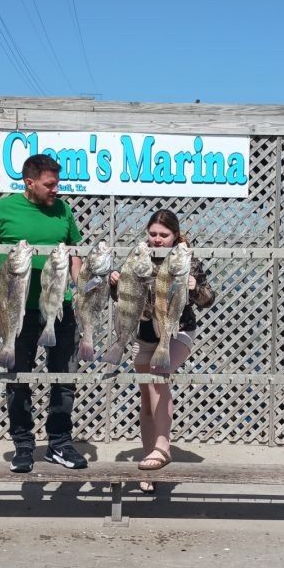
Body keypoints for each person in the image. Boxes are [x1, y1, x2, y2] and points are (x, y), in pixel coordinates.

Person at [0, 153, 87, 474]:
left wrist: (81, 289)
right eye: (50, 184)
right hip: (18, 310)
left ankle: (59, 443)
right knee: (17, 378)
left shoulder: (64, 210)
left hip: (60, 308)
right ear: (30, 182)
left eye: (57, 183)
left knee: (64, 378)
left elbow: (75, 252)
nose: (56, 189)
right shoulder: (3, 209)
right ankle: (24, 445)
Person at [110, 209, 214, 493]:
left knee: (160, 373)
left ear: (175, 236)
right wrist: (115, 282)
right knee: (146, 396)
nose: (157, 240)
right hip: (144, 333)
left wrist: (194, 288)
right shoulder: (139, 255)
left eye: (163, 235)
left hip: (177, 330)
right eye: (153, 234)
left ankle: (162, 447)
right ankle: (150, 463)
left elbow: (208, 298)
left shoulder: (186, 259)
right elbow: (123, 297)